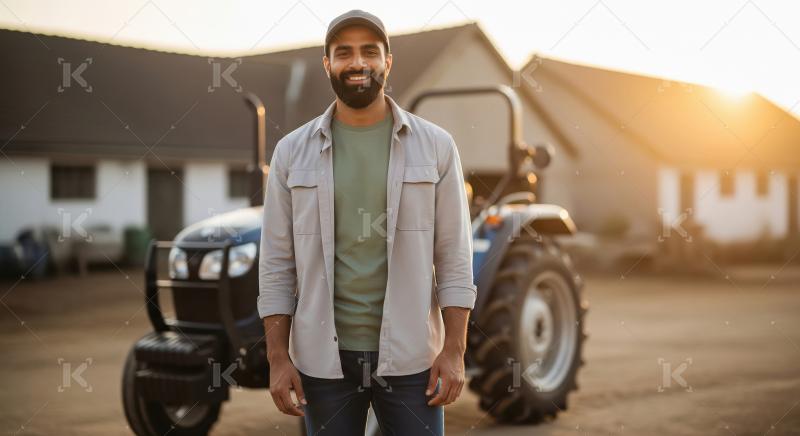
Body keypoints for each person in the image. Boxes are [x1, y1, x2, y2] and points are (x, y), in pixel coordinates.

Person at [258, 9, 477, 435]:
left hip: (414, 361)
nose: (357, 63)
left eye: (369, 52)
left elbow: (454, 257)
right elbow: (276, 266)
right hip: (324, 364)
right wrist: (278, 359)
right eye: (344, 53)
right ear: (327, 64)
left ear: (387, 61)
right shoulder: (291, 153)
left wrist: (454, 350)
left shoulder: (436, 148)